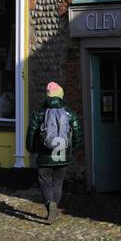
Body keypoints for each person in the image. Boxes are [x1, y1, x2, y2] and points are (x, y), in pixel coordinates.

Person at [25, 82, 81, 223]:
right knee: (58, 181)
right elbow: (77, 135)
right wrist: (72, 149)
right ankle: (54, 207)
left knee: (45, 181)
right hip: (63, 154)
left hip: (44, 155)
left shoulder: (39, 113)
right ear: (61, 96)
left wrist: (31, 148)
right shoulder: (69, 113)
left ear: (47, 96)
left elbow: (31, 133)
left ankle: (50, 205)